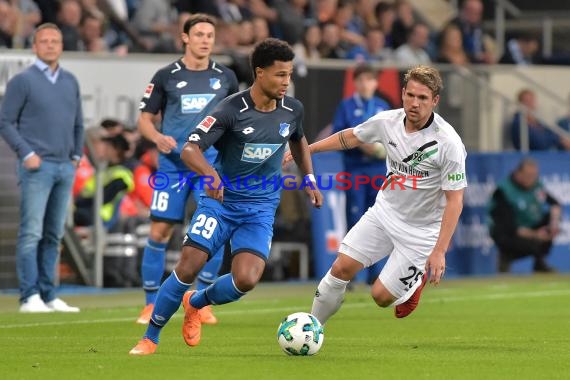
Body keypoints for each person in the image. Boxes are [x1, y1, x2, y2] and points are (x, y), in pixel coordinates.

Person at [129, 37, 323, 355]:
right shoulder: (230, 110)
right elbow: (191, 148)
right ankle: (150, 337)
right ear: (259, 73)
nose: (286, 82)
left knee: (245, 279)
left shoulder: (292, 110)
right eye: (280, 75)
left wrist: (310, 179)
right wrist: (209, 173)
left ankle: (196, 301)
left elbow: (298, 141)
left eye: (289, 74)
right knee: (189, 264)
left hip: (260, 208)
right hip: (221, 203)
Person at [286, 65, 466, 328]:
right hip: (384, 213)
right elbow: (350, 137)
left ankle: (416, 281)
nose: (414, 103)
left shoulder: (448, 143)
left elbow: (455, 200)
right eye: (411, 95)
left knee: (380, 297)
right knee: (341, 269)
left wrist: (439, 251)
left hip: (421, 231)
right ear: (403, 93)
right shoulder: (387, 121)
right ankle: (313, 328)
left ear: (435, 101)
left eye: (423, 98)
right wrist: (309, 150)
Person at [135, 13, 240, 325]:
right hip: (172, 167)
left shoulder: (227, 77)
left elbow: (237, 118)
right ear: (185, 38)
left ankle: (201, 301)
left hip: (210, 166)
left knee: (212, 232)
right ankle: (150, 304)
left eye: (210, 34)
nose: (205, 40)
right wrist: (156, 137)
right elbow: (144, 119)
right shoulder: (166, 75)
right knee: (160, 231)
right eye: (199, 35)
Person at [0, 23, 83, 313]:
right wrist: (26, 153)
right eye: (44, 41)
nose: (50, 45)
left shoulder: (70, 80)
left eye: (55, 41)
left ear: (61, 46)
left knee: (54, 235)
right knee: (31, 233)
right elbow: (5, 121)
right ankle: (29, 296)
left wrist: (76, 154)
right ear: (34, 47)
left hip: (64, 166)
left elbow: (78, 123)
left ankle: (49, 294)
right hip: (37, 167)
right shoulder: (23, 81)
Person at [331, 63, 391, 283]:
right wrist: (366, 145)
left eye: (370, 79)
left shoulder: (383, 107)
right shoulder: (346, 106)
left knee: (379, 219)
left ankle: (375, 274)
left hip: (377, 170)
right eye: (362, 80)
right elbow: (341, 135)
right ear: (355, 83)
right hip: (355, 170)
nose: (366, 84)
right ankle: (350, 272)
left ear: (376, 83)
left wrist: (382, 149)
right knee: (355, 219)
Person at [488, 158, 561, 273]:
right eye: (528, 175)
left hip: (529, 225)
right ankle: (506, 257)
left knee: (551, 219)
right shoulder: (503, 192)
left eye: (534, 175)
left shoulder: (536, 186)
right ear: (518, 173)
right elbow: (510, 227)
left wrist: (553, 224)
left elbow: (555, 204)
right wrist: (536, 235)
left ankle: (539, 263)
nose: (532, 179)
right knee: (527, 243)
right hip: (507, 232)